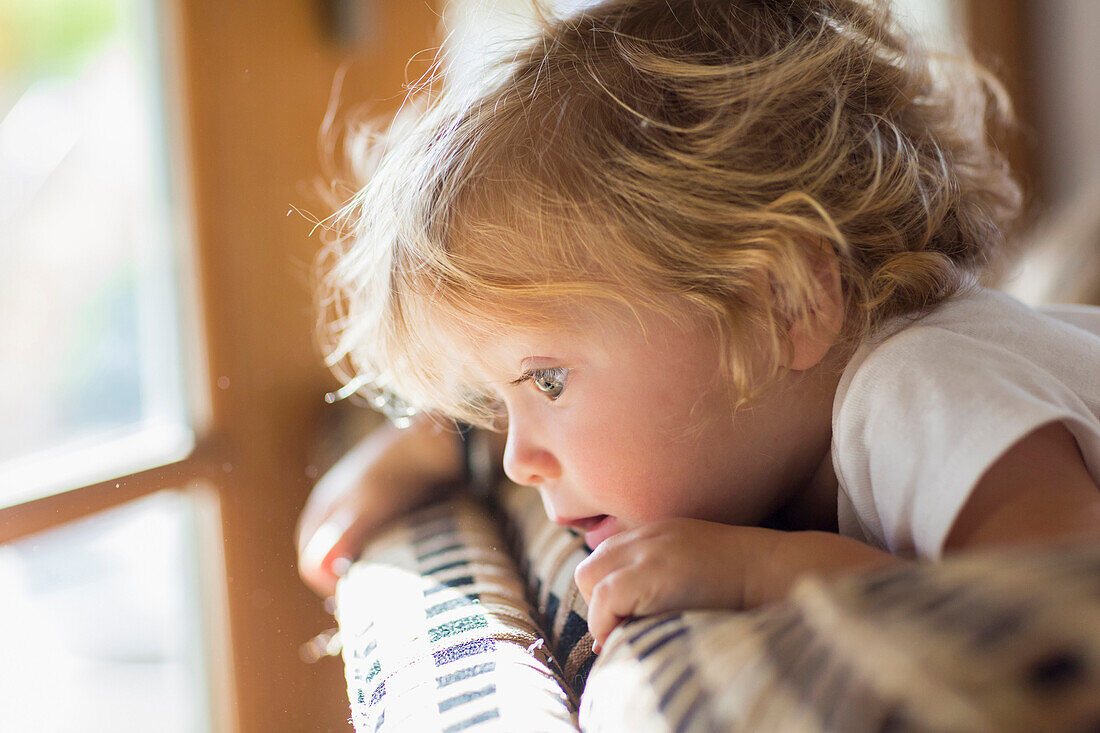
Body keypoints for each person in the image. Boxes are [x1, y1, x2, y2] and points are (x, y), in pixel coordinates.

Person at [297, 0, 1100, 653]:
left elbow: (1055, 611)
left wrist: (770, 570)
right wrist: (435, 441)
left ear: (787, 305)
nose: (519, 458)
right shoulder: (801, 410)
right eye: (495, 403)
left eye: (546, 380)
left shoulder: (924, 384)